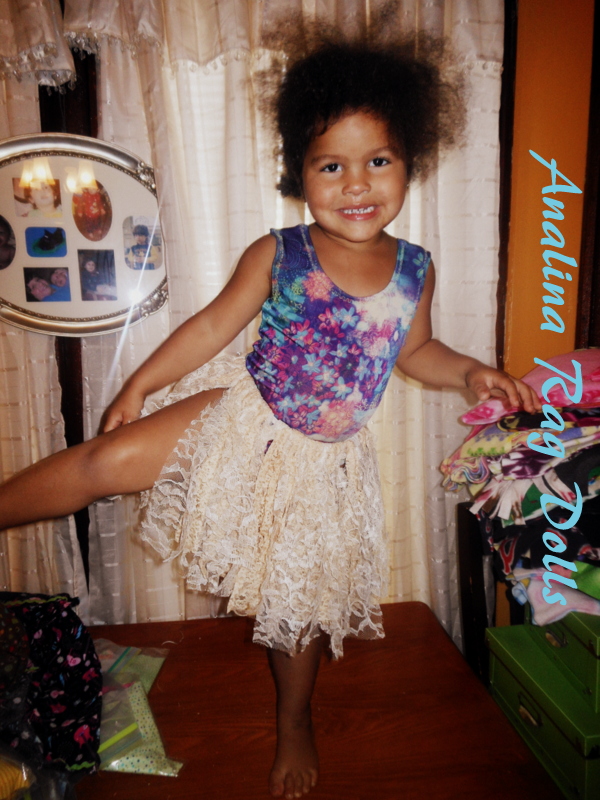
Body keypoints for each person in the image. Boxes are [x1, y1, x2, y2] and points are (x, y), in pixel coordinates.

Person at [0, 27, 541, 800]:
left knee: (298, 611)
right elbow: (209, 329)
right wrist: (138, 387)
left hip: (322, 466)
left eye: (378, 161)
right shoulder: (278, 252)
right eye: (332, 166)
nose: (356, 184)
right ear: (300, 172)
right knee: (104, 461)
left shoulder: (414, 268)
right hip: (243, 419)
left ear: (409, 163)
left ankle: (294, 720)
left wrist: (470, 372)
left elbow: (417, 351)